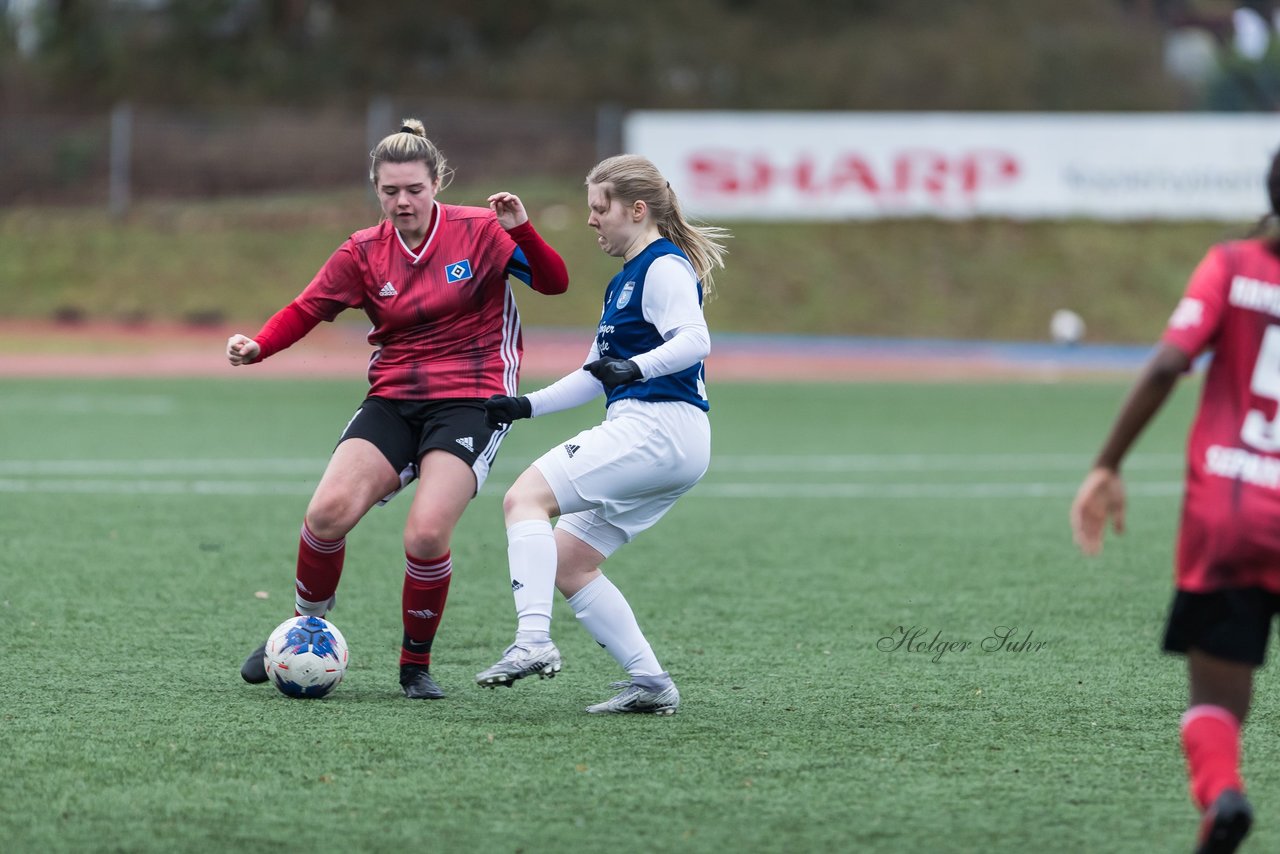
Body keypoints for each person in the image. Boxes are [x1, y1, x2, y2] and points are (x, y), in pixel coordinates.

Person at [226, 118, 569, 700]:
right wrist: (260, 345)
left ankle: (415, 665)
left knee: (427, 534)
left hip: (471, 400)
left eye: (413, 189)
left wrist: (524, 231)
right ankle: (303, 629)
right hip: (394, 398)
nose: (402, 201)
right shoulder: (363, 251)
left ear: (436, 183)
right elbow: (307, 307)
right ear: (376, 190)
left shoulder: (481, 230)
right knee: (327, 514)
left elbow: (554, 283)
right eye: (390, 192)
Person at [1068, 149, 1280, 853]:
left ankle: (1223, 796)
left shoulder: (1234, 265)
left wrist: (1106, 464)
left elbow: (1167, 362)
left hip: (1234, 513)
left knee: (1217, 699)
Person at [473, 154, 729, 715]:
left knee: (524, 499)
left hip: (657, 428)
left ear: (637, 211)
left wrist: (635, 369)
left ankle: (533, 642)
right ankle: (650, 682)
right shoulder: (625, 281)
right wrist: (524, 405)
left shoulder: (663, 266)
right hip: (670, 438)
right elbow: (596, 372)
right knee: (569, 562)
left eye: (600, 208)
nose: (592, 220)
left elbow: (694, 340)